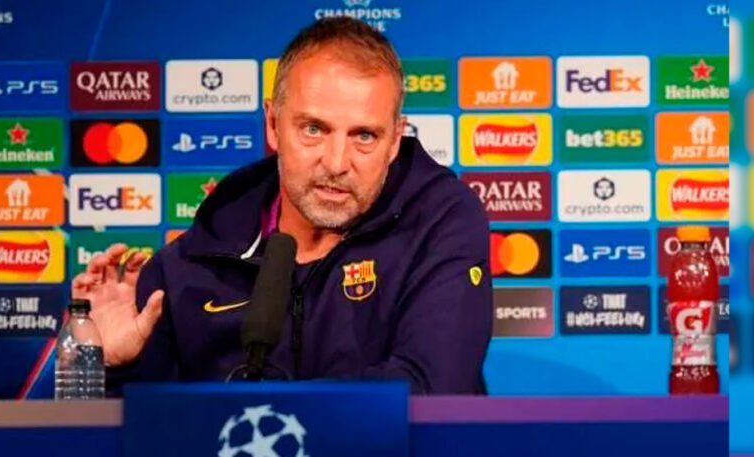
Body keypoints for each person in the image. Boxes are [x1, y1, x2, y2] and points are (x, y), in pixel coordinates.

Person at [71, 17, 492, 395]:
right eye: (314, 129)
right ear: (273, 124)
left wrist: (260, 413)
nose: (337, 163)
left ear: (396, 140)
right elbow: (136, 438)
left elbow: (432, 391)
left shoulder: (438, 223)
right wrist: (107, 367)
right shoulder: (191, 263)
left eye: (364, 136)